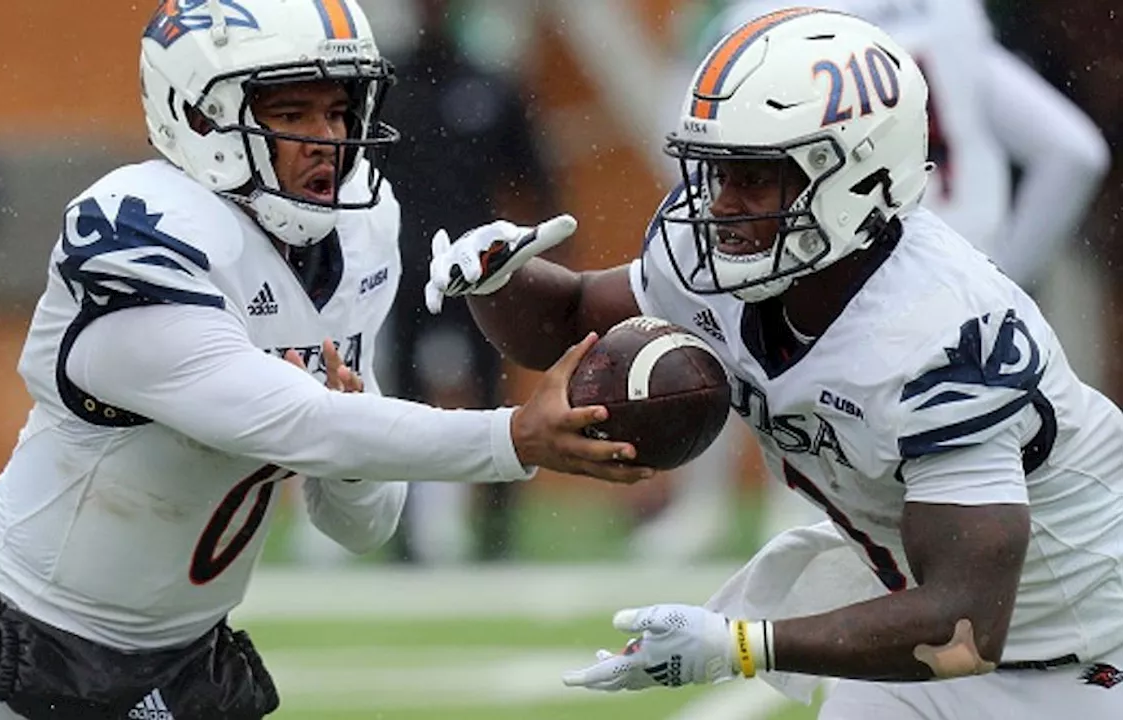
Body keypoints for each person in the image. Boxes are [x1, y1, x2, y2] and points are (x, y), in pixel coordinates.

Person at [0, 1, 649, 718]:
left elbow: (361, 523)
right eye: (291, 112)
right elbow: (289, 422)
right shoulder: (137, 230)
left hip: (177, 668)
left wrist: (350, 450)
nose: (329, 138)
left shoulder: (358, 228)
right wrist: (511, 437)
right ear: (196, 112)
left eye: (339, 109)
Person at [426, 7, 1124, 718]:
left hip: (1082, 656)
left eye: (754, 178)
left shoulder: (940, 334)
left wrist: (742, 644)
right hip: (925, 629)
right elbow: (569, 320)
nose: (721, 206)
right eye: (716, 171)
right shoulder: (727, 252)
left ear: (857, 176)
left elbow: (964, 626)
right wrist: (493, 280)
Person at [632, 0, 1113, 564]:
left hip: (840, 267)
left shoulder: (768, 20)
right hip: (942, 273)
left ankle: (709, 515)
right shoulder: (949, 16)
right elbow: (1073, 151)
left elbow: (711, 163)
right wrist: (1003, 272)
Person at [379, 0, 559, 564]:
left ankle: (497, 528)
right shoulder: (386, 87)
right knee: (400, 403)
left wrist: (551, 260)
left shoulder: (489, 86)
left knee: (491, 397)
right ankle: (403, 535)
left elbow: (532, 175)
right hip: (403, 268)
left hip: (478, 269)